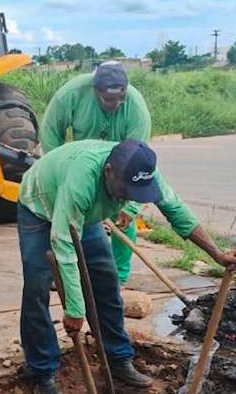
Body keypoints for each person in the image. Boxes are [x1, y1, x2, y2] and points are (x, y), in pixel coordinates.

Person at [18, 138, 236, 394]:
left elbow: (176, 210)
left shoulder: (143, 168)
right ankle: (42, 372)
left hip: (87, 216)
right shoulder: (82, 179)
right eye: (126, 191)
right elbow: (63, 246)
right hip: (40, 208)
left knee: (107, 283)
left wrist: (216, 254)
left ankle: (118, 359)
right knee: (36, 288)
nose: (130, 198)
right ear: (109, 171)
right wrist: (75, 310)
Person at [41, 62, 152, 285]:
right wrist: (60, 175)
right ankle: (66, 273)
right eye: (109, 100)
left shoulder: (136, 108)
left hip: (118, 171)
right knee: (67, 221)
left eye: (120, 99)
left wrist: (130, 207)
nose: (116, 104)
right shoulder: (71, 94)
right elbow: (51, 134)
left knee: (124, 220)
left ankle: (116, 278)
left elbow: (139, 159)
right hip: (80, 168)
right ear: (95, 90)